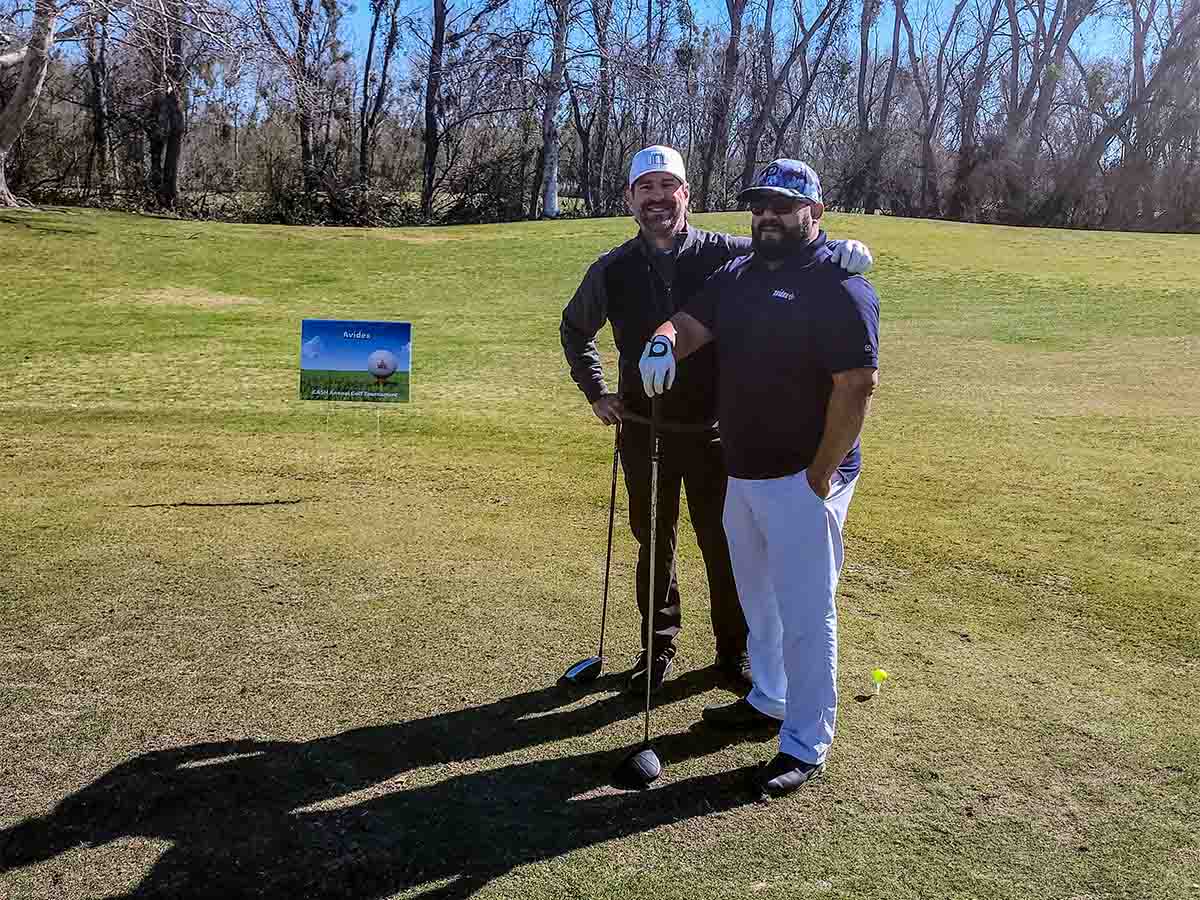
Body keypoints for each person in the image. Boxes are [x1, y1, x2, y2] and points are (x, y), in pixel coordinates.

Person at [560, 146, 874, 695]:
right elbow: (574, 329)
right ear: (631, 199)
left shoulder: (727, 254)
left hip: (714, 433)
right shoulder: (611, 269)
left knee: (726, 547)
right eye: (646, 188)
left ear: (687, 194)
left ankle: (736, 654)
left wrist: (840, 251)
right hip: (643, 427)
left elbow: (791, 254)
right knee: (653, 539)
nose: (658, 198)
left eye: (668, 186)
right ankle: (656, 650)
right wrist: (596, 392)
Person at [637, 158, 880, 797]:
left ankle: (805, 740)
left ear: (815, 212)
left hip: (804, 477)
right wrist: (663, 341)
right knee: (759, 599)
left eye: (784, 204)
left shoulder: (839, 284)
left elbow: (857, 385)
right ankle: (770, 697)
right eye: (760, 205)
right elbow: (691, 323)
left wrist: (821, 473)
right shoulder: (741, 273)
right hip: (742, 469)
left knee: (807, 611)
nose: (768, 214)